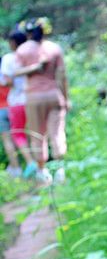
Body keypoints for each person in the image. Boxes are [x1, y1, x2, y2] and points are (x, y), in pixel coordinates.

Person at [15, 18, 69, 184]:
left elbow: (15, 72)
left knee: (37, 135)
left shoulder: (22, 50)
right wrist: (66, 98)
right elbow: (62, 76)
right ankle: (60, 169)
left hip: (33, 97)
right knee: (57, 132)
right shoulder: (54, 48)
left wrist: (33, 69)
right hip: (54, 95)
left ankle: (42, 171)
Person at [0, 30, 35, 177]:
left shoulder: (9, 60)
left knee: (11, 138)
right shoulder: (30, 57)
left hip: (9, 106)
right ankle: (36, 164)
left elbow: (7, 81)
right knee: (29, 135)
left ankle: (17, 168)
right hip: (29, 101)